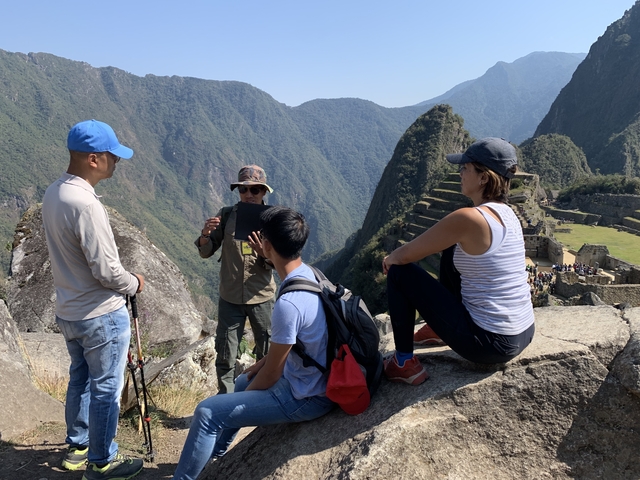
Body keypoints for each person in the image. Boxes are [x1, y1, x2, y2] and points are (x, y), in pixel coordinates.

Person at [174, 206, 335, 480]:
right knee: (242, 380)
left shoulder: (288, 304)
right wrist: (258, 367)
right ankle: (218, 455)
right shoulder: (309, 274)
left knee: (207, 411)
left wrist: (240, 401)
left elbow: (273, 374)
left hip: (306, 397)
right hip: (312, 376)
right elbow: (284, 352)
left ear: (267, 245)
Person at [382, 137, 535, 385]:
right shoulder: (509, 215)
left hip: (491, 344)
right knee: (452, 249)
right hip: (524, 332)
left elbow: (403, 256)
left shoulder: (468, 219)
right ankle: (436, 329)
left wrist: (391, 258)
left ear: (483, 178)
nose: (460, 173)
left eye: (465, 168)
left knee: (399, 272)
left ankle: (403, 363)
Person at [42, 120, 145, 479]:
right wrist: (134, 282)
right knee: (106, 389)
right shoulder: (87, 205)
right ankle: (102, 461)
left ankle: (78, 447)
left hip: (69, 310)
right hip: (100, 313)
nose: (117, 162)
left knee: (80, 380)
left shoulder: (54, 192)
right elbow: (107, 272)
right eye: (113, 156)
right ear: (94, 159)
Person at [196, 165, 276, 394]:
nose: (249, 195)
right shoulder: (227, 215)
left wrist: (265, 254)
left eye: (255, 190)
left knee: (269, 352)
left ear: (264, 192)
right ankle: (226, 403)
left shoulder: (272, 220)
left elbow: (280, 261)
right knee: (225, 354)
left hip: (261, 296)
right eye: (243, 190)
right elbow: (206, 251)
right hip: (230, 297)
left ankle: (263, 398)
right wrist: (204, 235)